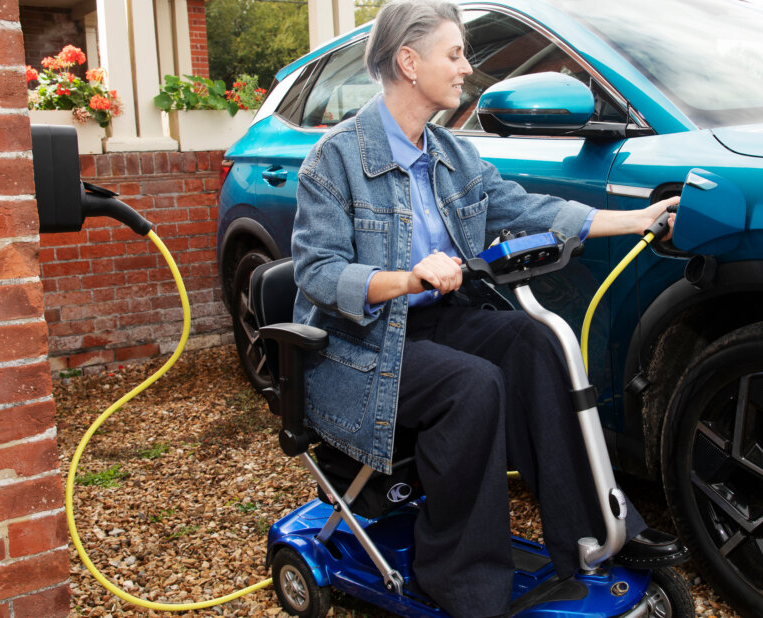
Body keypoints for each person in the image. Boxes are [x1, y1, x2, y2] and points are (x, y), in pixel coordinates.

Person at [290, 0, 686, 614]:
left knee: (534, 342)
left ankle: (594, 531)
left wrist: (639, 218)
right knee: (471, 384)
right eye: (454, 54)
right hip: (360, 346)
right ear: (408, 60)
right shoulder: (334, 160)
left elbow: (528, 209)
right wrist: (405, 276)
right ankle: (462, 582)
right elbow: (319, 272)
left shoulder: (452, 154)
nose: (466, 69)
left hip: (434, 324)